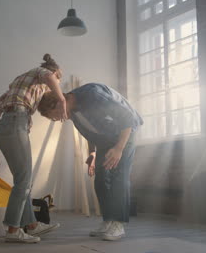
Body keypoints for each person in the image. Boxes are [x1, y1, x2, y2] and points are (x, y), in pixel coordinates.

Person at [0, 54, 66, 243]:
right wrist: (62, 100)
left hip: (6, 128)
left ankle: (31, 225)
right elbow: (50, 78)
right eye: (58, 78)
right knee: (24, 181)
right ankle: (13, 230)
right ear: (55, 72)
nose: (56, 83)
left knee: (22, 180)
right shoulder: (43, 73)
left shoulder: (21, 81)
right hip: (16, 123)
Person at [37, 83, 143, 241]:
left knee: (118, 176)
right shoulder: (72, 112)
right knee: (100, 179)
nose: (57, 120)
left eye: (54, 116)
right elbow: (90, 132)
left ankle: (118, 224)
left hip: (125, 133)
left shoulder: (93, 95)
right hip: (106, 139)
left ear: (59, 103)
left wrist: (119, 148)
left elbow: (126, 117)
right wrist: (92, 154)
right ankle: (108, 221)